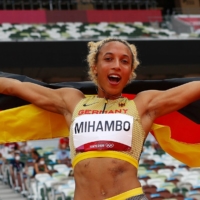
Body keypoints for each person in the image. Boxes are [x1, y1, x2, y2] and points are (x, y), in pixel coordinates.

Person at [0, 37, 200, 199]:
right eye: (108, 58)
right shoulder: (72, 101)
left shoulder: (142, 105)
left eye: (124, 61)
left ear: (130, 72)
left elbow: (194, 88)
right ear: (95, 67)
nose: (116, 65)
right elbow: (15, 87)